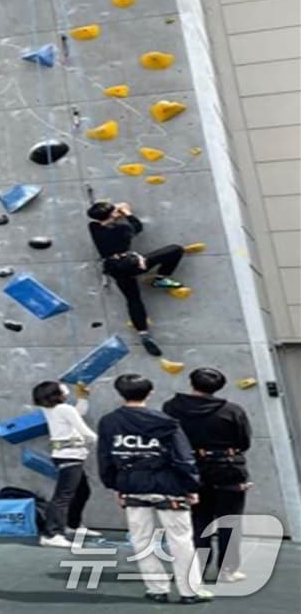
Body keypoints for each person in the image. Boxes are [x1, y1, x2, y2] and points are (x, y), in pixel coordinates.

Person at [97, 374, 212, 605]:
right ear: (149, 393)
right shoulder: (167, 422)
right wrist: (191, 486)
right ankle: (190, 591)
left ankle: (156, 588)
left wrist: (115, 485)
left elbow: (105, 458)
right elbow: (183, 458)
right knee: (180, 539)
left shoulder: (109, 422)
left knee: (141, 540)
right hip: (169, 487)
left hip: (132, 486)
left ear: (120, 393)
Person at [163, 367, 252, 583]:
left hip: (191, 467)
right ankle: (227, 570)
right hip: (228, 467)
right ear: (219, 386)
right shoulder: (232, 410)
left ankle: (198, 568)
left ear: (191, 382)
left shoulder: (172, 408)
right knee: (229, 520)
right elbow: (244, 442)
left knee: (197, 520)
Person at [86, 200, 185, 357]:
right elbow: (137, 227)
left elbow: (106, 222)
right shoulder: (122, 229)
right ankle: (161, 277)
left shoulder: (93, 227)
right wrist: (128, 213)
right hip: (131, 264)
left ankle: (144, 334)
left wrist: (114, 212)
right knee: (175, 250)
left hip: (113, 268)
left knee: (133, 298)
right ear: (112, 215)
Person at [32, 380, 99, 548]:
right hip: (70, 456)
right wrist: (103, 441)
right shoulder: (63, 409)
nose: (63, 386)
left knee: (82, 491)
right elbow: (85, 431)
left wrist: (82, 397)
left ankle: (73, 525)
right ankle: (51, 533)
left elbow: (76, 414)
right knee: (63, 496)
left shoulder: (51, 409)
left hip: (66, 455)